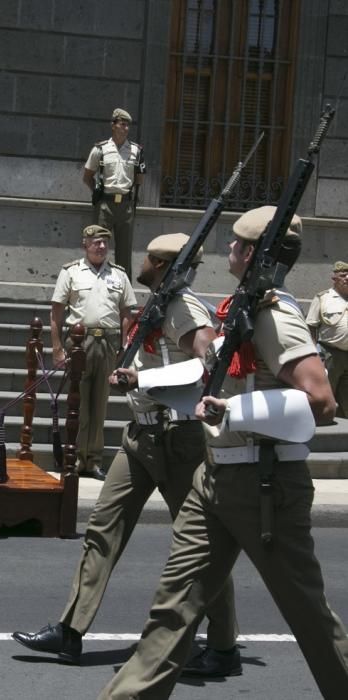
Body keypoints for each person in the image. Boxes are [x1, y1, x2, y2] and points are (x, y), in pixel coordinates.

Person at [97, 206, 348, 700]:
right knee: (172, 612)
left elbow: (321, 400)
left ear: (251, 253)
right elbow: (207, 380)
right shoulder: (241, 311)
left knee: (309, 618)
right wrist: (145, 380)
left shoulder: (275, 317)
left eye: (235, 245)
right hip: (212, 481)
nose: (226, 251)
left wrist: (235, 412)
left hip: (265, 488)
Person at [12, 233, 239, 674]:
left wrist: (143, 382)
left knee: (202, 544)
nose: (143, 262)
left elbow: (206, 361)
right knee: (103, 528)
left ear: (164, 266)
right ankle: (70, 630)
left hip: (179, 440)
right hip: (141, 436)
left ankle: (225, 646)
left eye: (151, 259)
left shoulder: (184, 307)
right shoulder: (157, 303)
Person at [50, 224, 136, 480]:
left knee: (100, 404)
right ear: (85, 245)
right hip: (79, 342)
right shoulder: (71, 272)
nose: (101, 246)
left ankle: (94, 460)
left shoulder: (119, 275)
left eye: (104, 243)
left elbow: (126, 313)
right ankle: (75, 458)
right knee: (78, 403)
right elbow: (56, 312)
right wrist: (56, 348)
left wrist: (124, 346)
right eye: (96, 242)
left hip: (108, 344)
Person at [83, 108, 145, 280]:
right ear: (113, 125)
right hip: (105, 205)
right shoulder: (100, 150)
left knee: (124, 252)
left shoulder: (136, 151)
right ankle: (92, 283)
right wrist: (97, 190)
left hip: (125, 206)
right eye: (122, 124)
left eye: (128, 126)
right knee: (97, 247)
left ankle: (124, 292)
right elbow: (87, 176)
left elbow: (139, 178)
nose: (125, 129)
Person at [306, 260, 348, 418]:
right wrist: (313, 354)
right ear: (334, 279)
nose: (347, 278)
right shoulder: (323, 298)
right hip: (330, 353)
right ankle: (321, 425)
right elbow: (311, 326)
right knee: (324, 392)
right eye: (343, 275)